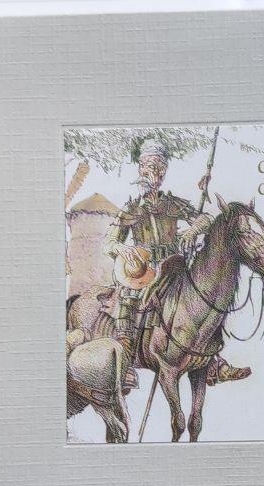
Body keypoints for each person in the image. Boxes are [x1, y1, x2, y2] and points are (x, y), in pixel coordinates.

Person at [103, 138, 252, 389]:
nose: (154, 172)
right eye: (149, 166)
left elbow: (205, 219)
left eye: (159, 167)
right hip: (143, 270)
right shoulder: (130, 208)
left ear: (164, 172)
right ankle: (125, 362)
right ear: (140, 168)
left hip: (174, 266)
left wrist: (193, 231)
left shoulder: (173, 203)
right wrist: (122, 248)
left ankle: (213, 361)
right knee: (128, 298)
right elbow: (108, 243)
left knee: (203, 300)